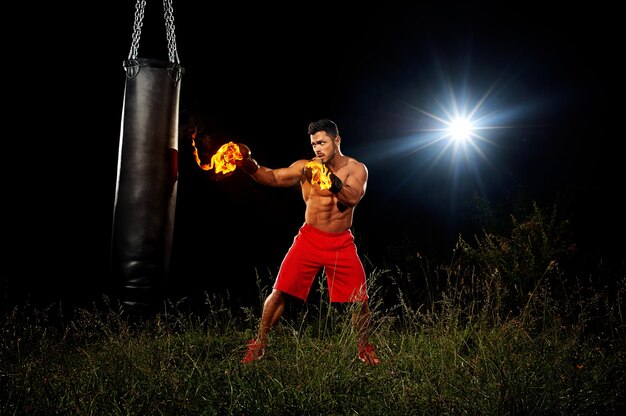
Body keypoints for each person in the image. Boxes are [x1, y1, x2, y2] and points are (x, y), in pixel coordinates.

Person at [235, 118, 381, 365]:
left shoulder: (356, 169)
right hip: (309, 239)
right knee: (279, 291)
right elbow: (273, 177)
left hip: (340, 242)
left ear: (337, 140)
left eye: (322, 142)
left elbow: (353, 197)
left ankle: (364, 348)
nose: (317, 149)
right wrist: (247, 165)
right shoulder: (306, 167)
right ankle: (258, 345)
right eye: (314, 144)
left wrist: (328, 179)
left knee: (359, 299)